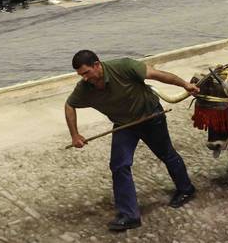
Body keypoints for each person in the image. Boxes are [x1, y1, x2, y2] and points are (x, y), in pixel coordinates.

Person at [65, 50, 199, 231]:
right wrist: (75, 134)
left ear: (97, 65)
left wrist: (184, 85)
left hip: (150, 117)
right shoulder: (84, 87)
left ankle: (186, 189)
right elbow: (69, 105)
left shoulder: (124, 66)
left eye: (86, 72)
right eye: (81, 75)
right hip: (124, 126)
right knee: (119, 165)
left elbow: (157, 75)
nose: (85, 78)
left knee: (166, 154)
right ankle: (129, 215)